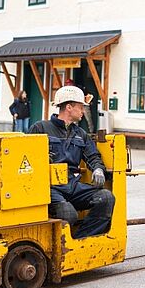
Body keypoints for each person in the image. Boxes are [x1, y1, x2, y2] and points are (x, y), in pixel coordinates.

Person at [29, 85, 114, 238]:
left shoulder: (80, 134)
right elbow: (27, 160)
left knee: (106, 198)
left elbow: (93, 156)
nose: (83, 111)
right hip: (49, 188)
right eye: (81, 107)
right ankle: (59, 247)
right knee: (68, 214)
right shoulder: (40, 128)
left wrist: (98, 169)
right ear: (69, 107)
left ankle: (80, 240)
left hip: (72, 185)